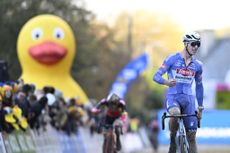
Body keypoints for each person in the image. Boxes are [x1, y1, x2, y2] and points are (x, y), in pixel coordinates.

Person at [153, 31, 204, 153]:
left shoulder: (198, 65)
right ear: (186, 44)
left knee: (191, 137)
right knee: (175, 113)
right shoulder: (172, 59)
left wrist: (201, 108)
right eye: (193, 44)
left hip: (189, 101)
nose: (196, 47)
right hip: (173, 98)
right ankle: (172, 139)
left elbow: (199, 87)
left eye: (198, 44)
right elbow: (156, 76)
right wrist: (166, 82)